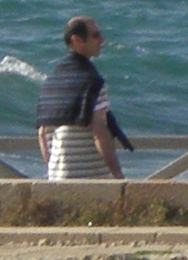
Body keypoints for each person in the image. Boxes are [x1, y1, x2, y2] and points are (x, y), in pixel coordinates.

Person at [37, 16, 130, 183]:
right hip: (92, 179)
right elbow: (100, 133)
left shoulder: (51, 82)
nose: (102, 40)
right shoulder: (92, 82)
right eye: (96, 35)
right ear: (77, 40)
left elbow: (43, 134)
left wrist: (53, 169)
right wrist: (118, 176)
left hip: (56, 178)